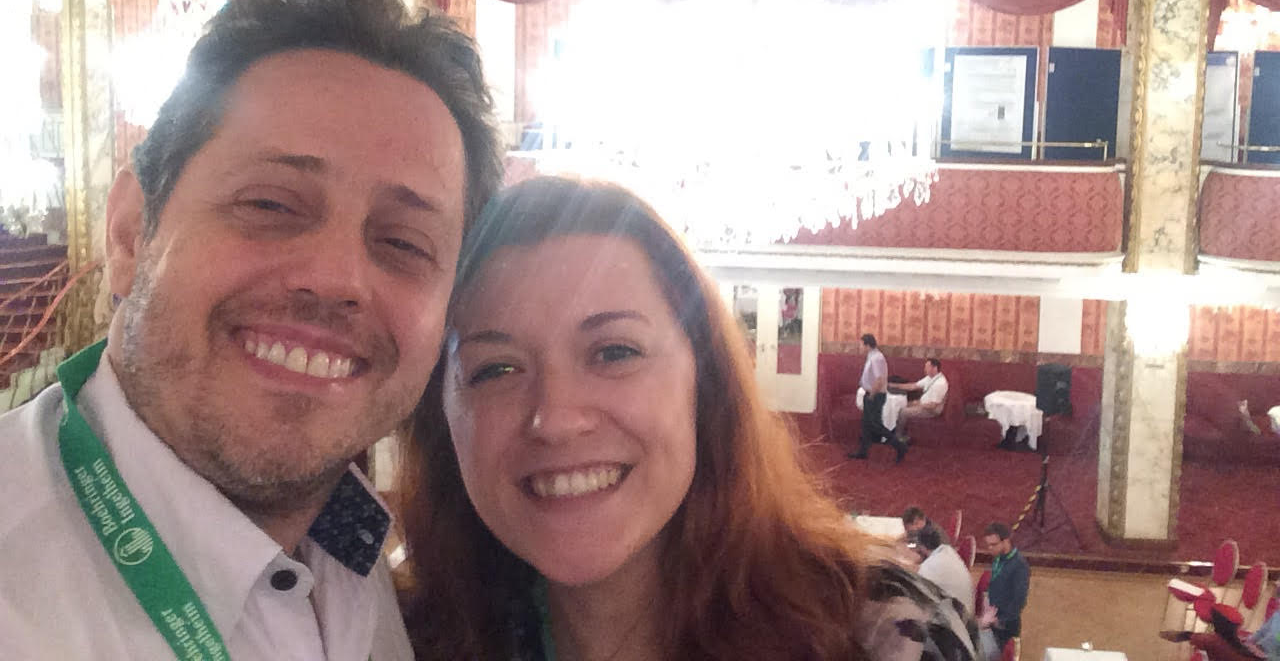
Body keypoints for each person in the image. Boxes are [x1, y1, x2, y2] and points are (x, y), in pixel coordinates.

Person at [0, 0, 504, 659]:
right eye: (270, 204)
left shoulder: (356, 548)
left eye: (403, 243)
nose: (335, 279)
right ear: (130, 233)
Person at [397, 176, 979, 661]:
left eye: (614, 352)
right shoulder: (396, 640)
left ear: (704, 382)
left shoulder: (887, 637)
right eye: (496, 369)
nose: (555, 420)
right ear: (440, 415)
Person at [849, 332, 908, 462]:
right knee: (866, 424)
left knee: (876, 425)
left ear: (867, 345)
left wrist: (872, 395)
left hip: (875, 395)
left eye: (861, 345)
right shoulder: (872, 356)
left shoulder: (877, 358)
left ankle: (899, 446)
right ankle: (863, 452)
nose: (859, 347)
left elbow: (879, 379)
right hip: (870, 394)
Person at [978, 522, 1030, 661]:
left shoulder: (1019, 566)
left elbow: (1019, 602)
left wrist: (998, 621)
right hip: (991, 619)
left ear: (1006, 541)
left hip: (1004, 631)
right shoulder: (998, 558)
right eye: (988, 545)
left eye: (993, 545)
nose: (990, 549)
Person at [917, 524, 974, 612]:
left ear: (923, 547)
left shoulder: (930, 566)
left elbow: (918, 595)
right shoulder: (949, 552)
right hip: (964, 610)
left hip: (955, 617)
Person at [893, 357, 949, 440]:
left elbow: (933, 406)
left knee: (903, 412)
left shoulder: (940, 383)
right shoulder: (930, 378)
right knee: (899, 405)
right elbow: (913, 386)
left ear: (935, 368)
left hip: (931, 410)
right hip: (923, 403)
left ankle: (898, 436)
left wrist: (917, 404)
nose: (924, 369)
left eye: (927, 367)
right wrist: (894, 385)